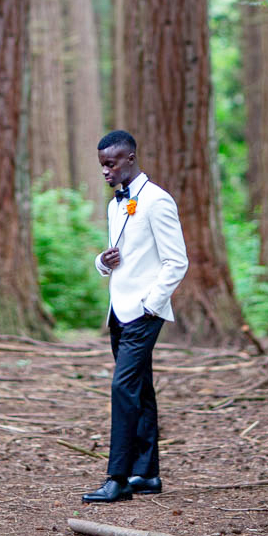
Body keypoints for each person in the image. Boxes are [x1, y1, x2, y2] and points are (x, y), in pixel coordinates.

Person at [82, 130, 188, 504]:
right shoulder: (116, 205)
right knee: (140, 390)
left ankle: (119, 477)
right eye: (102, 166)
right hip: (118, 309)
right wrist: (102, 262)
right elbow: (119, 256)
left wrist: (150, 303)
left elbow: (177, 261)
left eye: (110, 164)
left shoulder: (157, 201)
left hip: (144, 311)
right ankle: (148, 474)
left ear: (130, 158)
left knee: (122, 389)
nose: (106, 172)